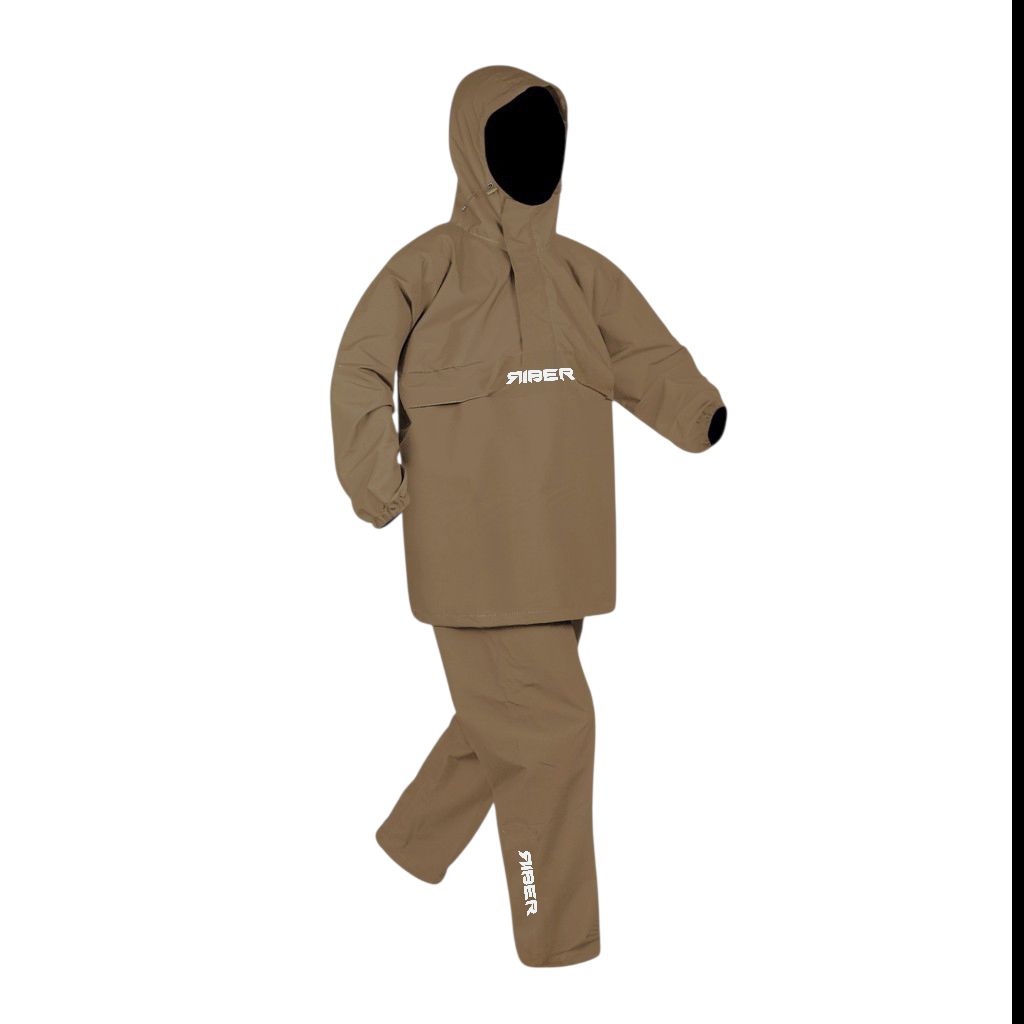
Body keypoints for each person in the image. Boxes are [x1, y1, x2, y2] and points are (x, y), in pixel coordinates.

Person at [330, 65, 726, 967]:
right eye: (511, 140)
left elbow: (644, 351)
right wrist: (374, 476)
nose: (535, 156)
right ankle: (557, 938)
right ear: (472, 153)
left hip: (564, 553)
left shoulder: (579, 272)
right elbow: (359, 366)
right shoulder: (425, 267)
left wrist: (696, 410)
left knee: (505, 718)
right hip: (473, 556)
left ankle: (414, 842)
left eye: (548, 139)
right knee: (552, 732)